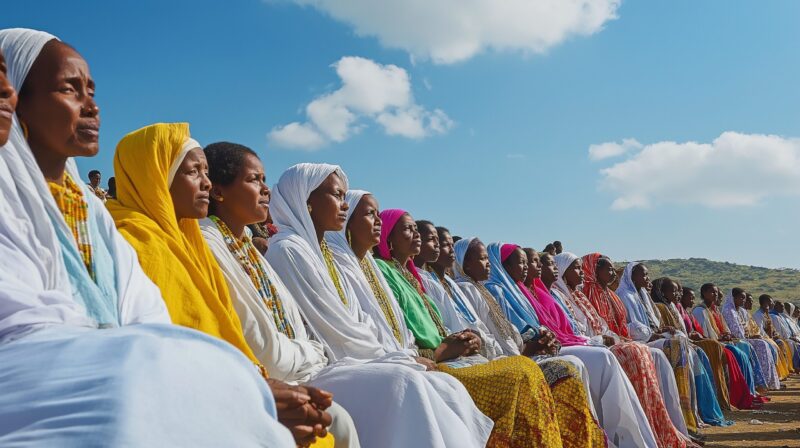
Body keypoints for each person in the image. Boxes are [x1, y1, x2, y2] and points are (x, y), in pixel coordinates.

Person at [0, 28, 294, 446]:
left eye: (92, 90)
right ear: (17, 100)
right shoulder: (131, 230)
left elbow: (148, 318)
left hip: (119, 372)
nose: (92, 106)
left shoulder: (90, 213)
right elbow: (24, 325)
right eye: (70, 89)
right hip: (50, 379)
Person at [108, 123, 331, 446]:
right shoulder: (138, 241)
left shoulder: (190, 241)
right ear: (157, 177)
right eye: (193, 172)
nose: (206, 183)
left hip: (249, 379)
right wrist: (252, 394)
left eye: (206, 172)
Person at [265, 165, 495, 448]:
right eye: (336, 195)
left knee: (446, 387)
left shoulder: (320, 252)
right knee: (406, 382)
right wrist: (397, 358)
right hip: (332, 362)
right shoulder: (289, 249)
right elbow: (334, 328)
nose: (344, 204)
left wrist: (398, 355)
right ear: (307, 201)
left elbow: (361, 320)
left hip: (365, 356)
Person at [381, 213, 603, 448]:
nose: (444, 248)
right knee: (531, 372)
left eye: (445, 243)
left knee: (565, 368)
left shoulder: (441, 283)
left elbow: (482, 329)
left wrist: (530, 340)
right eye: (435, 241)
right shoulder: (427, 281)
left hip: (482, 352)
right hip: (456, 357)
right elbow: (443, 332)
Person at [199, 142, 361, 448]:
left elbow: (292, 326)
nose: (265, 190)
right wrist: (313, 352)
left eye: (264, 179)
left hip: (302, 368)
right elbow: (264, 349)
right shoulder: (209, 243)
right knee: (341, 417)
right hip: (279, 375)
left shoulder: (246, 246)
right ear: (218, 192)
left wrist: (309, 353)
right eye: (254, 180)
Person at [460, 240, 660, 448]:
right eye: (524, 263)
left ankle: (619, 436)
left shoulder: (521, 290)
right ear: (505, 266)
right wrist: (538, 342)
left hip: (545, 346)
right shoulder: (497, 290)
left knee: (628, 354)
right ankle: (605, 437)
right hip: (524, 352)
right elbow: (513, 332)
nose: (529, 267)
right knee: (595, 359)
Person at [505, 246, 690, 448]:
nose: (581, 272)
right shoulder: (537, 293)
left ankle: (666, 429)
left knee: (655, 354)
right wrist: (598, 340)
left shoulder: (566, 294)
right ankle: (618, 439)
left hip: (583, 342)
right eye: (575, 268)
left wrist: (609, 338)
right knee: (611, 356)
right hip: (569, 345)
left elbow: (592, 326)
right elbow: (557, 330)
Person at [589, 257, 693, 438]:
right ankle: (650, 421)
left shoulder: (624, 295)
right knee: (661, 348)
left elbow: (636, 324)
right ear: (632, 277)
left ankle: (675, 419)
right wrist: (649, 334)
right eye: (643, 274)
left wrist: (658, 331)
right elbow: (628, 326)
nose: (647, 278)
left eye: (615, 270)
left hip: (630, 338)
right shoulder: (622, 295)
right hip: (629, 339)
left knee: (672, 347)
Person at [651, 279, 732, 426]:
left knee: (704, 351)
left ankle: (707, 405)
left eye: (678, 291)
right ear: (662, 293)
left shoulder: (673, 307)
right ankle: (692, 410)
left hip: (684, 341)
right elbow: (660, 329)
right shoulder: (660, 307)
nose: (678, 294)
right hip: (669, 342)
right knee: (705, 349)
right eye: (674, 291)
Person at [692, 284, 766, 409]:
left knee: (741, 352)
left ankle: (747, 392)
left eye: (716, 293)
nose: (715, 295)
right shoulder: (700, 310)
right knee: (735, 353)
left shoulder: (714, 310)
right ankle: (736, 395)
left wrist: (726, 334)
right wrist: (720, 338)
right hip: (709, 343)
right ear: (704, 293)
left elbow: (723, 329)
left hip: (719, 341)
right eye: (712, 292)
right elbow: (704, 333)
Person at [721, 288, 781, 390]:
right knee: (762, 344)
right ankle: (760, 382)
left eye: (744, 298)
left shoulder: (737, 310)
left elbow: (745, 329)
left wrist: (749, 336)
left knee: (764, 343)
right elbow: (735, 331)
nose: (743, 300)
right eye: (741, 297)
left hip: (742, 338)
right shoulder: (728, 310)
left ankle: (767, 381)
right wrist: (747, 337)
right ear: (733, 298)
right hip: (734, 339)